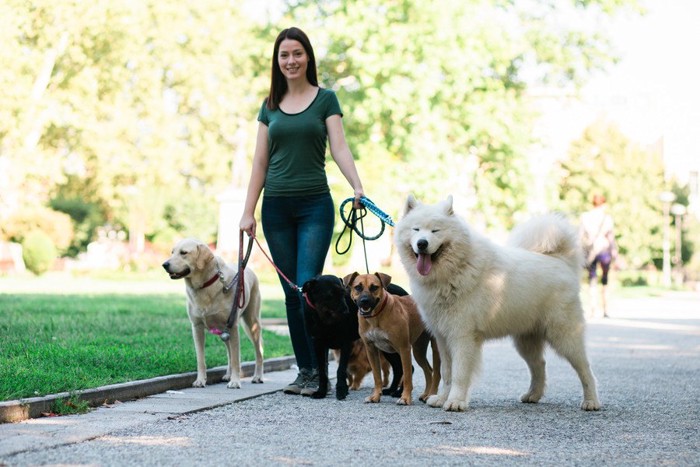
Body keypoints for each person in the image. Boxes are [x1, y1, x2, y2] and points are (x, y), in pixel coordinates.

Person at [239, 27, 365, 395]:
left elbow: (339, 147)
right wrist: (249, 211)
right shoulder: (269, 106)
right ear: (277, 62)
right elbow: (259, 162)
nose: (290, 60)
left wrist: (357, 185)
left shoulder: (326, 100)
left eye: (297, 53)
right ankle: (308, 370)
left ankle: (322, 370)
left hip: (315, 207)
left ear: (307, 57)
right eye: (284, 55)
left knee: (309, 288)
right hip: (276, 208)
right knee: (292, 293)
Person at [579, 194, 617, 319]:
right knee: (605, 279)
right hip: (604, 250)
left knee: (592, 280)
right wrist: (614, 252)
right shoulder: (607, 218)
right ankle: (606, 309)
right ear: (603, 204)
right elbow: (610, 237)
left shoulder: (585, 217)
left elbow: (580, 236)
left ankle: (593, 309)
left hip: (591, 251)